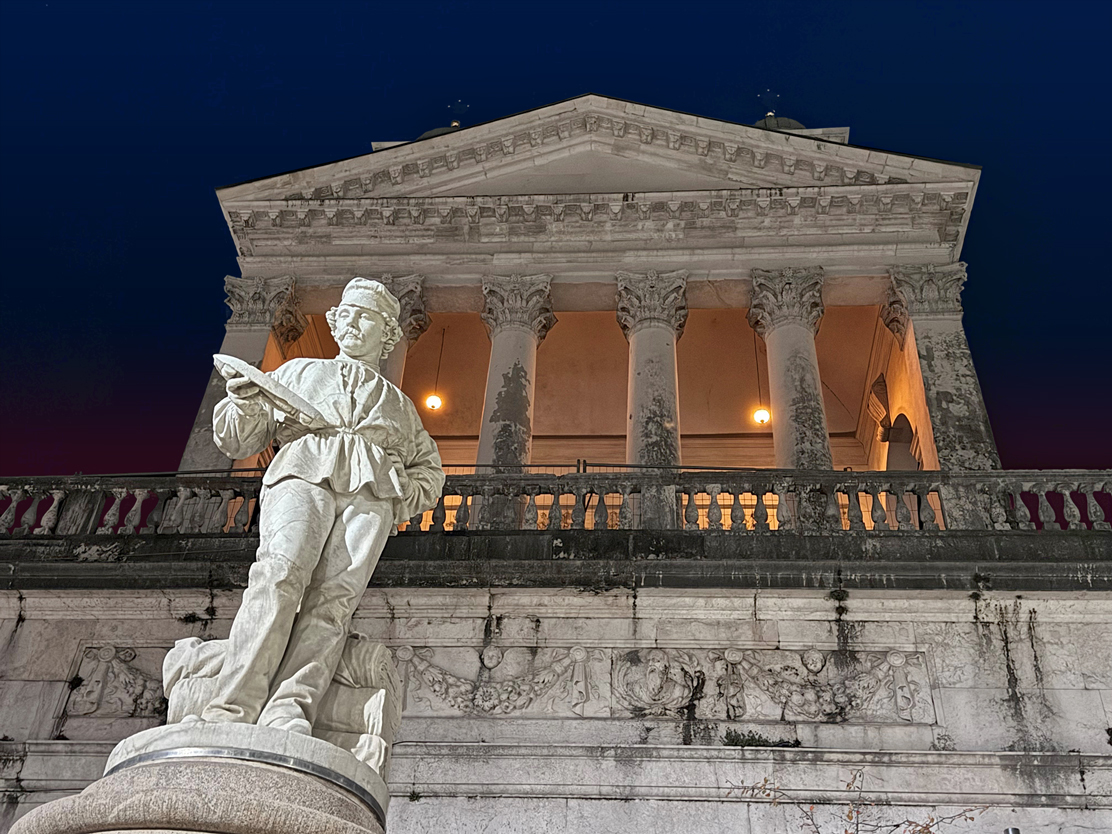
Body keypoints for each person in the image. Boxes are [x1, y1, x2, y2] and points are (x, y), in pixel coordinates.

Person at [200, 277, 444, 734]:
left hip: (372, 492)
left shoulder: (400, 406)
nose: (351, 323)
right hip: (302, 471)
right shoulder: (297, 373)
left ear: (388, 333)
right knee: (277, 574)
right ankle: (233, 702)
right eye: (344, 314)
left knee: (335, 602)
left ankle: (290, 705)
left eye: (364, 316)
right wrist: (242, 402)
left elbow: (429, 469)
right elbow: (238, 440)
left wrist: (402, 495)